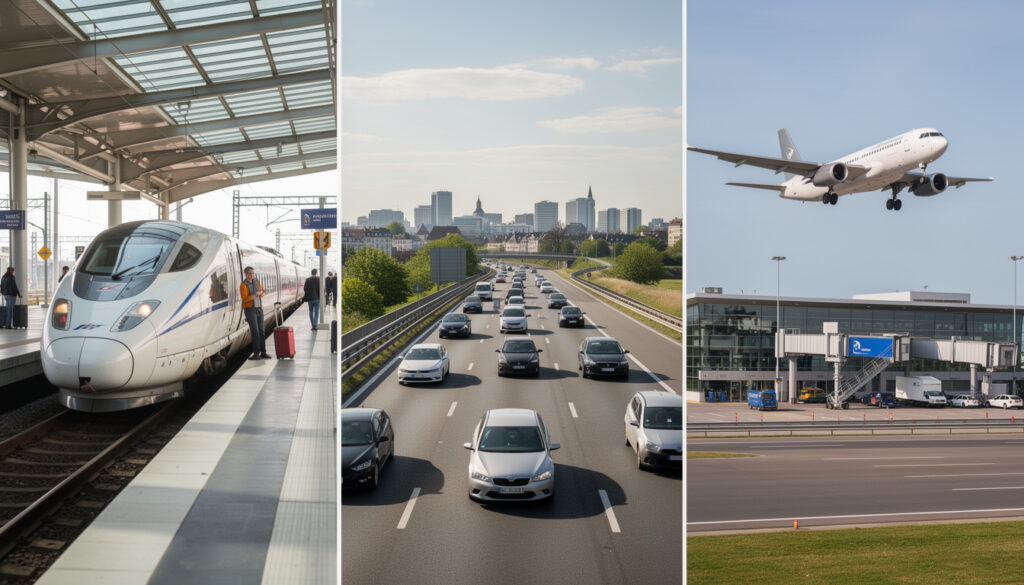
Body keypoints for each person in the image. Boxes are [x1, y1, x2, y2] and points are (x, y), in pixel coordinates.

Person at [240, 266, 269, 359]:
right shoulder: (243, 285)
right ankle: (256, 353)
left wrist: (261, 294)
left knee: (261, 331)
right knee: (255, 331)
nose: (252, 275)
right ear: (246, 274)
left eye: (253, 273)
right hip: (250, 310)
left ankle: (263, 352)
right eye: (250, 273)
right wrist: (254, 295)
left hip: (259, 308)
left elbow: (262, 291)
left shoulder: (256, 282)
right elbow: (244, 299)